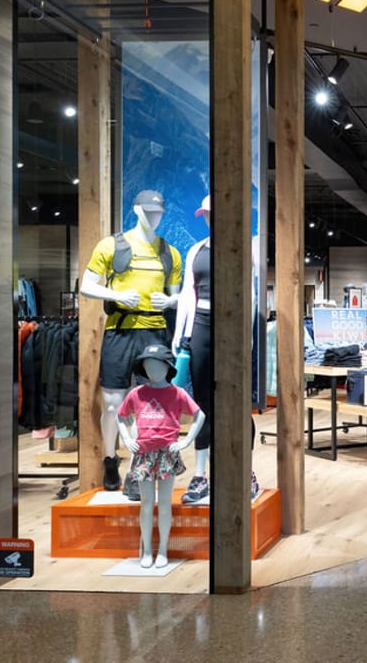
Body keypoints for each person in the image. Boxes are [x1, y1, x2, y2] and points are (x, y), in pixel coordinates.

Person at [79, 190, 183, 490]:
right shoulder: (111, 245)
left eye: (159, 213)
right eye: (149, 212)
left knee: (151, 403)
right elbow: (87, 285)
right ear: (136, 211)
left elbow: (177, 296)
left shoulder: (170, 253)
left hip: (154, 332)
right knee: (113, 402)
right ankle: (110, 460)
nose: (154, 218)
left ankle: (141, 469)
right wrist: (116, 295)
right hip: (120, 331)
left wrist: (171, 302)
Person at [172, 194, 259, 504]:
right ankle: (200, 475)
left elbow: (250, 296)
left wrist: (246, 338)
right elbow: (187, 295)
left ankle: (245, 471)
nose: (210, 219)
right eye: (206, 214)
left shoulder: (244, 250)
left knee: (236, 401)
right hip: (202, 328)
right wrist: (182, 335)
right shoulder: (196, 250)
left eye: (214, 213)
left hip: (232, 328)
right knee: (203, 404)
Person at [117, 344, 204, 568]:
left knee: (164, 503)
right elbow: (120, 416)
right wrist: (126, 439)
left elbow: (199, 415)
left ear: (168, 367)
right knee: (146, 503)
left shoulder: (177, 393)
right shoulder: (136, 394)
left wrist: (185, 441)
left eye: (157, 365)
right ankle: (147, 551)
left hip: (167, 452)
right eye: (148, 366)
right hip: (143, 453)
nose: (153, 370)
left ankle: (162, 549)